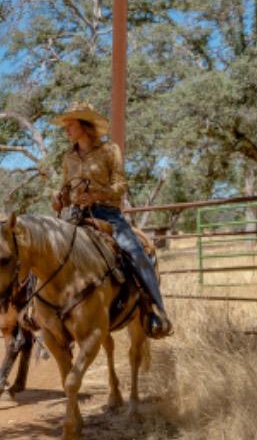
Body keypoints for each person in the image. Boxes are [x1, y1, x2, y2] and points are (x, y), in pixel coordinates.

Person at [50, 102, 172, 337]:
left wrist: (96, 195)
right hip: (75, 216)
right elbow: (65, 190)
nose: (66, 130)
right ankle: (43, 316)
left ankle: (157, 311)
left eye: (70, 125)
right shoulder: (68, 157)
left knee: (135, 253)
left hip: (107, 214)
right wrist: (59, 198)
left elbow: (121, 185)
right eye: (66, 126)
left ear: (85, 126)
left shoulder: (109, 151)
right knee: (47, 250)